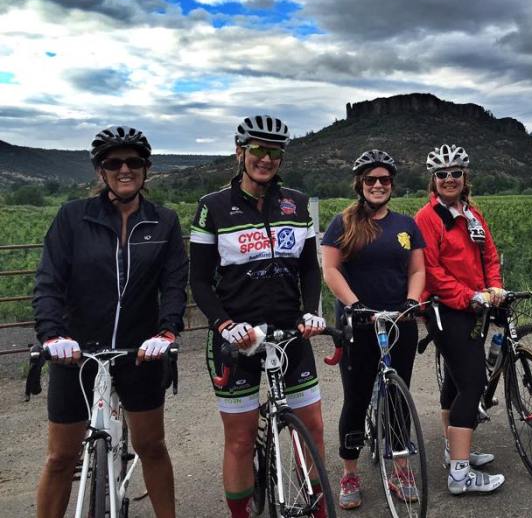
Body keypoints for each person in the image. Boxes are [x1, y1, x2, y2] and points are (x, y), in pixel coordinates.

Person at [33, 126, 186, 518]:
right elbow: (49, 280)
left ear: (146, 169)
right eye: (113, 162)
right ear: (100, 171)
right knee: (60, 457)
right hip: (76, 351)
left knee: (152, 446)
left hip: (140, 352)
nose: (124, 169)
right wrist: (52, 334)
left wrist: (167, 330)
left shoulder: (163, 222)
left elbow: (173, 284)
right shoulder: (73, 218)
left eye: (133, 162)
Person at [189, 115, 327, 518]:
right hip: (237, 339)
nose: (266, 159)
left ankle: (319, 509)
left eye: (274, 152)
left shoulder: (297, 204)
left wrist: (311, 313)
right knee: (241, 440)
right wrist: (225, 325)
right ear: (240, 152)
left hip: (289, 334)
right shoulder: (212, 207)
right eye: (258, 150)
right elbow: (198, 282)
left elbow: (309, 269)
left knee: (313, 427)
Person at [321, 149, 426, 510]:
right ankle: (349, 470)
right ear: (360, 184)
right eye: (371, 180)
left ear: (392, 184)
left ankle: (400, 467)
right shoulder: (343, 223)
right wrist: (354, 305)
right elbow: (331, 270)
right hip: (360, 323)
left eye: (384, 179)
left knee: (398, 394)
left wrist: (412, 301)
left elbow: (416, 270)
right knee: (357, 397)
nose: (378, 185)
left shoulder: (406, 224)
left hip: (399, 322)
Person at [414, 144, 506, 496]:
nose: (449, 179)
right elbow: (432, 272)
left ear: (465, 178)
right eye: (442, 174)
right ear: (433, 180)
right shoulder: (428, 217)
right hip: (446, 309)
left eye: (455, 173)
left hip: (474, 307)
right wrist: (469, 296)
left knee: (455, 381)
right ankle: (460, 475)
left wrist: (494, 286)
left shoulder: (472, 213)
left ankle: (456, 452)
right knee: (472, 384)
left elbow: (490, 255)